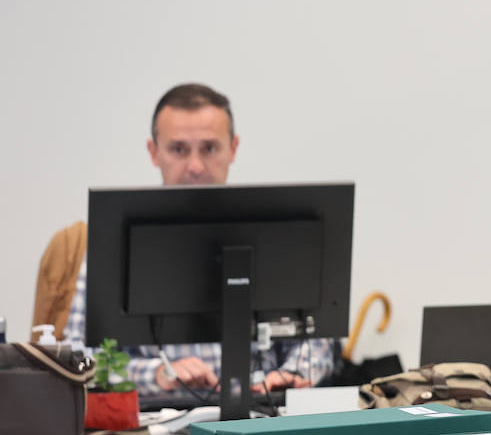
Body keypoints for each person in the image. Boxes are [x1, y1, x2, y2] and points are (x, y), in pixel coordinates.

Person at [31, 83, 336, 396]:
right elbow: (77, 358)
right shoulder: (114, 241)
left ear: (233, 148)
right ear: (154, 152)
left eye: (210, 148)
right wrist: (155, 374)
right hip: (156, 416)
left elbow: (315, 339)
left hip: (261, 408)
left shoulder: (276, 231)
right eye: (178, 149)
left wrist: (293, 374)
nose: (195, 167)